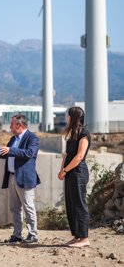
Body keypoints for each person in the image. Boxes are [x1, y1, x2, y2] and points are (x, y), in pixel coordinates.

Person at [0, 113, 40, 243]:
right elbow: (5, 154)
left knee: (28, 207)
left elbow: (29, 153)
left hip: (25, 178)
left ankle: (33, 234)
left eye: (12, 124)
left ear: (19, 125)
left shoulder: (32, 138)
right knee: (15, 208)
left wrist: (11, 150)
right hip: (12, 178)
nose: (10, 127)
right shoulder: (13, 139)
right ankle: (17, 234)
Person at [58, 106, 91, 248]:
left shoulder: (84, 133)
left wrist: (65, 170)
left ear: (74, 117)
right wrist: (62, 170)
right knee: (71, 205)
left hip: (78, 172)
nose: (67, 118)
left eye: (69, 115)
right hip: (70, 172)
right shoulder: (72, 133)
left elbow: (79, 156)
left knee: (79, 205)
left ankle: (84, 237)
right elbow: (66, 155)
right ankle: (77, 236)